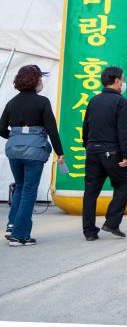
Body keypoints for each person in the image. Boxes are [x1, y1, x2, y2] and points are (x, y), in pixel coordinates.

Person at [1, 65, 64, 246]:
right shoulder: (42, 102)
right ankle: (19, 236)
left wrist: (16, 137)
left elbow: (1, 128)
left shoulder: (11, 103)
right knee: (29, 191)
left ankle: (13, 226)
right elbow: (52, 129)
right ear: (35, 80)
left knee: (20, 187)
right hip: (34, 151)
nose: (41, 81)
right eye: (40, 78)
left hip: (14, 150)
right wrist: (60, 152)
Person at [82, 66, 127, 241]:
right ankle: (112, 222)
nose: (123, 82)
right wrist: (126, 155)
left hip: (93, 150)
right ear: (117, 81)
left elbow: (86, 126)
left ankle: (89, 231)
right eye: (123, 79)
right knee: (123, 184)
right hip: (112, 151)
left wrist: (87, 145)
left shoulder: (94, 100)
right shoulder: (121, 102)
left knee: (90, 191)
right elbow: (123, 131)